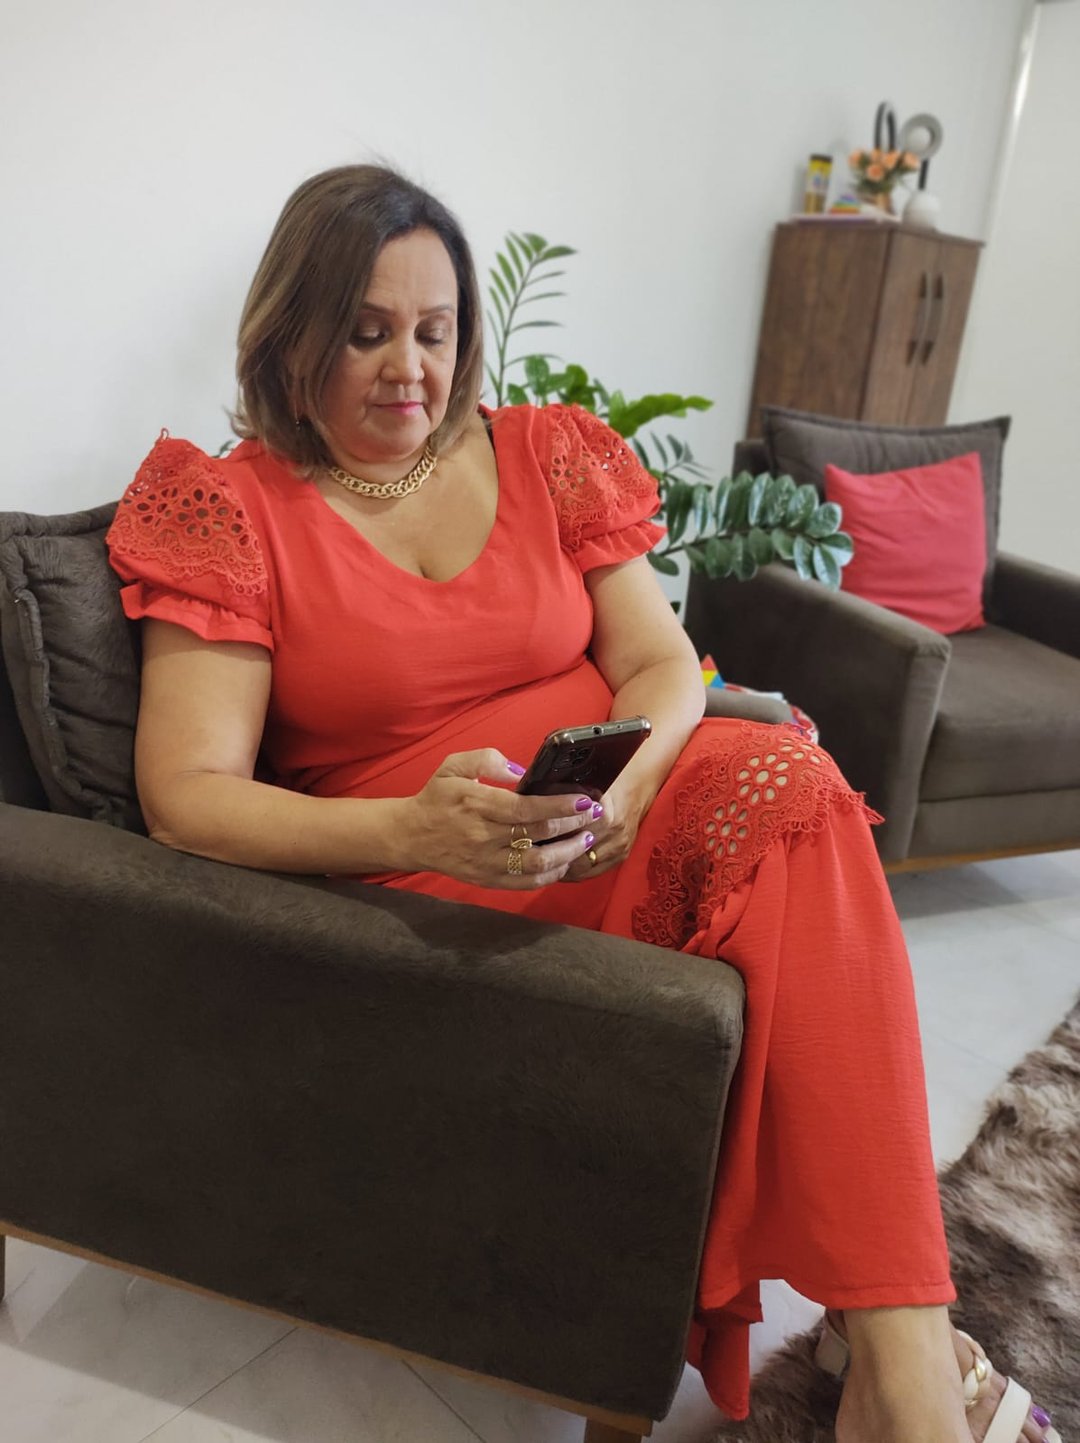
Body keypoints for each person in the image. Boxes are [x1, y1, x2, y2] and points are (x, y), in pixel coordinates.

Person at [105, 164, 1057, 1443]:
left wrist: (629, 783)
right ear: (291, 337)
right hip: (424, 877)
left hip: (613, 813)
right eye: (367, 332)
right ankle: (908, 1378)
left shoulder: (542, 451)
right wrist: (413, 828)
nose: (410, 369)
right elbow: (186, 798)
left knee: (795, 793)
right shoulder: (229, 507)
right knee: (796, 836)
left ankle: (899, 1366)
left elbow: (660, 665)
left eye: (436, 331)